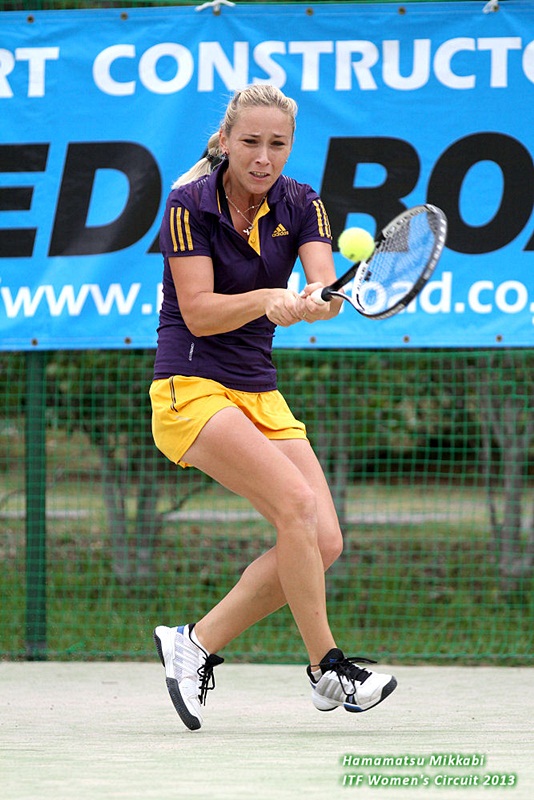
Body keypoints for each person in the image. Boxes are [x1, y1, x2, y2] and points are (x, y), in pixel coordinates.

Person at [150, 85, 397, 731]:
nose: (264, 157)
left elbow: (322, 289)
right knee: (296, 505)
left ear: (290, 147)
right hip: (191, 386)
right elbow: (199, 312)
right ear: (226, 141)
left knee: (324, 540)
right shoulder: (187, 205)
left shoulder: (302, 202)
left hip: (259, 390)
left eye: (277, 144)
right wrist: (267, 298)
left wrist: (317, 299)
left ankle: (194, 642)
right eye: (251, 142)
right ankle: (327, 668)